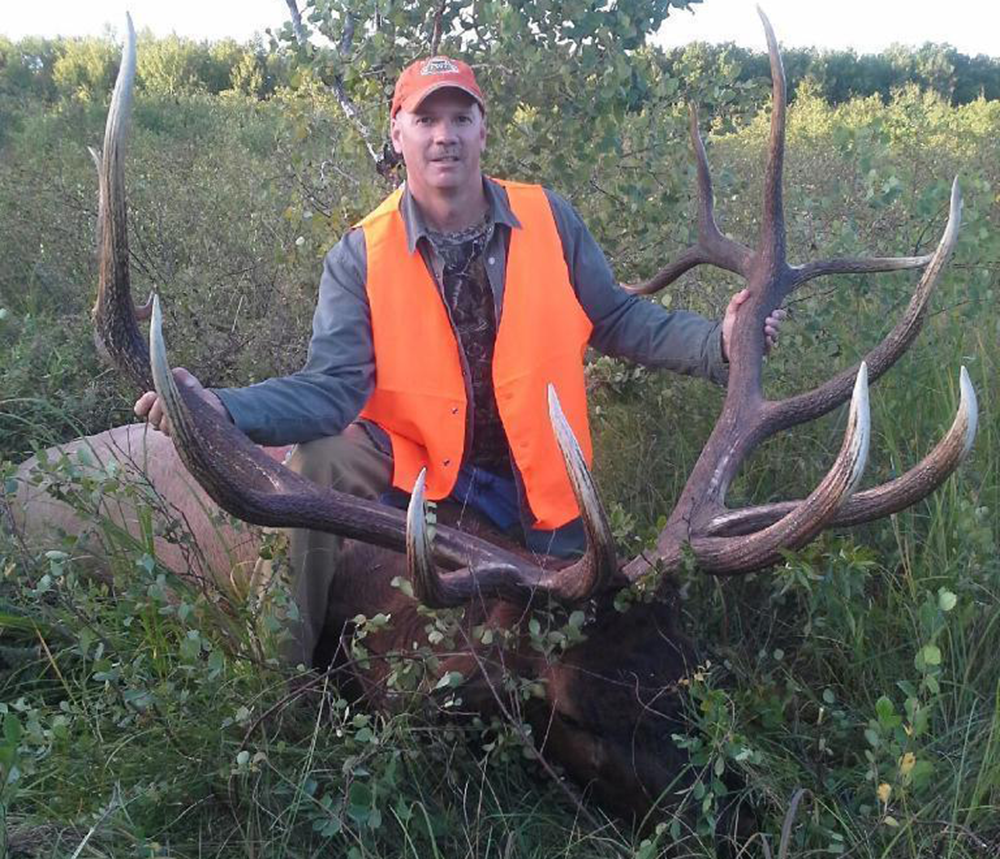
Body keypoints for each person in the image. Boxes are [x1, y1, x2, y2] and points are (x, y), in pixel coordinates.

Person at [135, 56, 784, 667]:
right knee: (322, 458)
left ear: (483, 131)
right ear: (397, 133)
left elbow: (615, 317)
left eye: (459, 118)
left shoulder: (548, 218)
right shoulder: (361, 254)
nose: (443, 135)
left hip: (537, 485)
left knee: (595, 633)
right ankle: (284, 668)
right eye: (425, 119)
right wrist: (222, 407)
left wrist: (719, 344)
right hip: (414, 466)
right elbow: (331, 390)